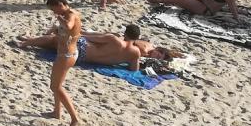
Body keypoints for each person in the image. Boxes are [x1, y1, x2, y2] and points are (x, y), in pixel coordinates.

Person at [17, 23, 159, 72]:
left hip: (83, 49)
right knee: (57, 43)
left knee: (58, 40)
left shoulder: (114, 39)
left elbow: (87, 37)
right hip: (83, 59)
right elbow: (133, 70)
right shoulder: (135, 53)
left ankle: (27, 41)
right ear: (137, 37)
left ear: (125, 34)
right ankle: (29, 39)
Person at [41, 0, 81, 126]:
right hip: (66, 53)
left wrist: (60, 20)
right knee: (56, 85)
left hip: (67, 55)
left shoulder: (69, 15)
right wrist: (55, 30)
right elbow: (69, 31)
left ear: (60, 4)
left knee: (56, 87)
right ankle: (56, 112)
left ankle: (74, 118)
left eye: (54, 10)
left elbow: (69, 25)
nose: (54, 13)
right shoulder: (69, 13)